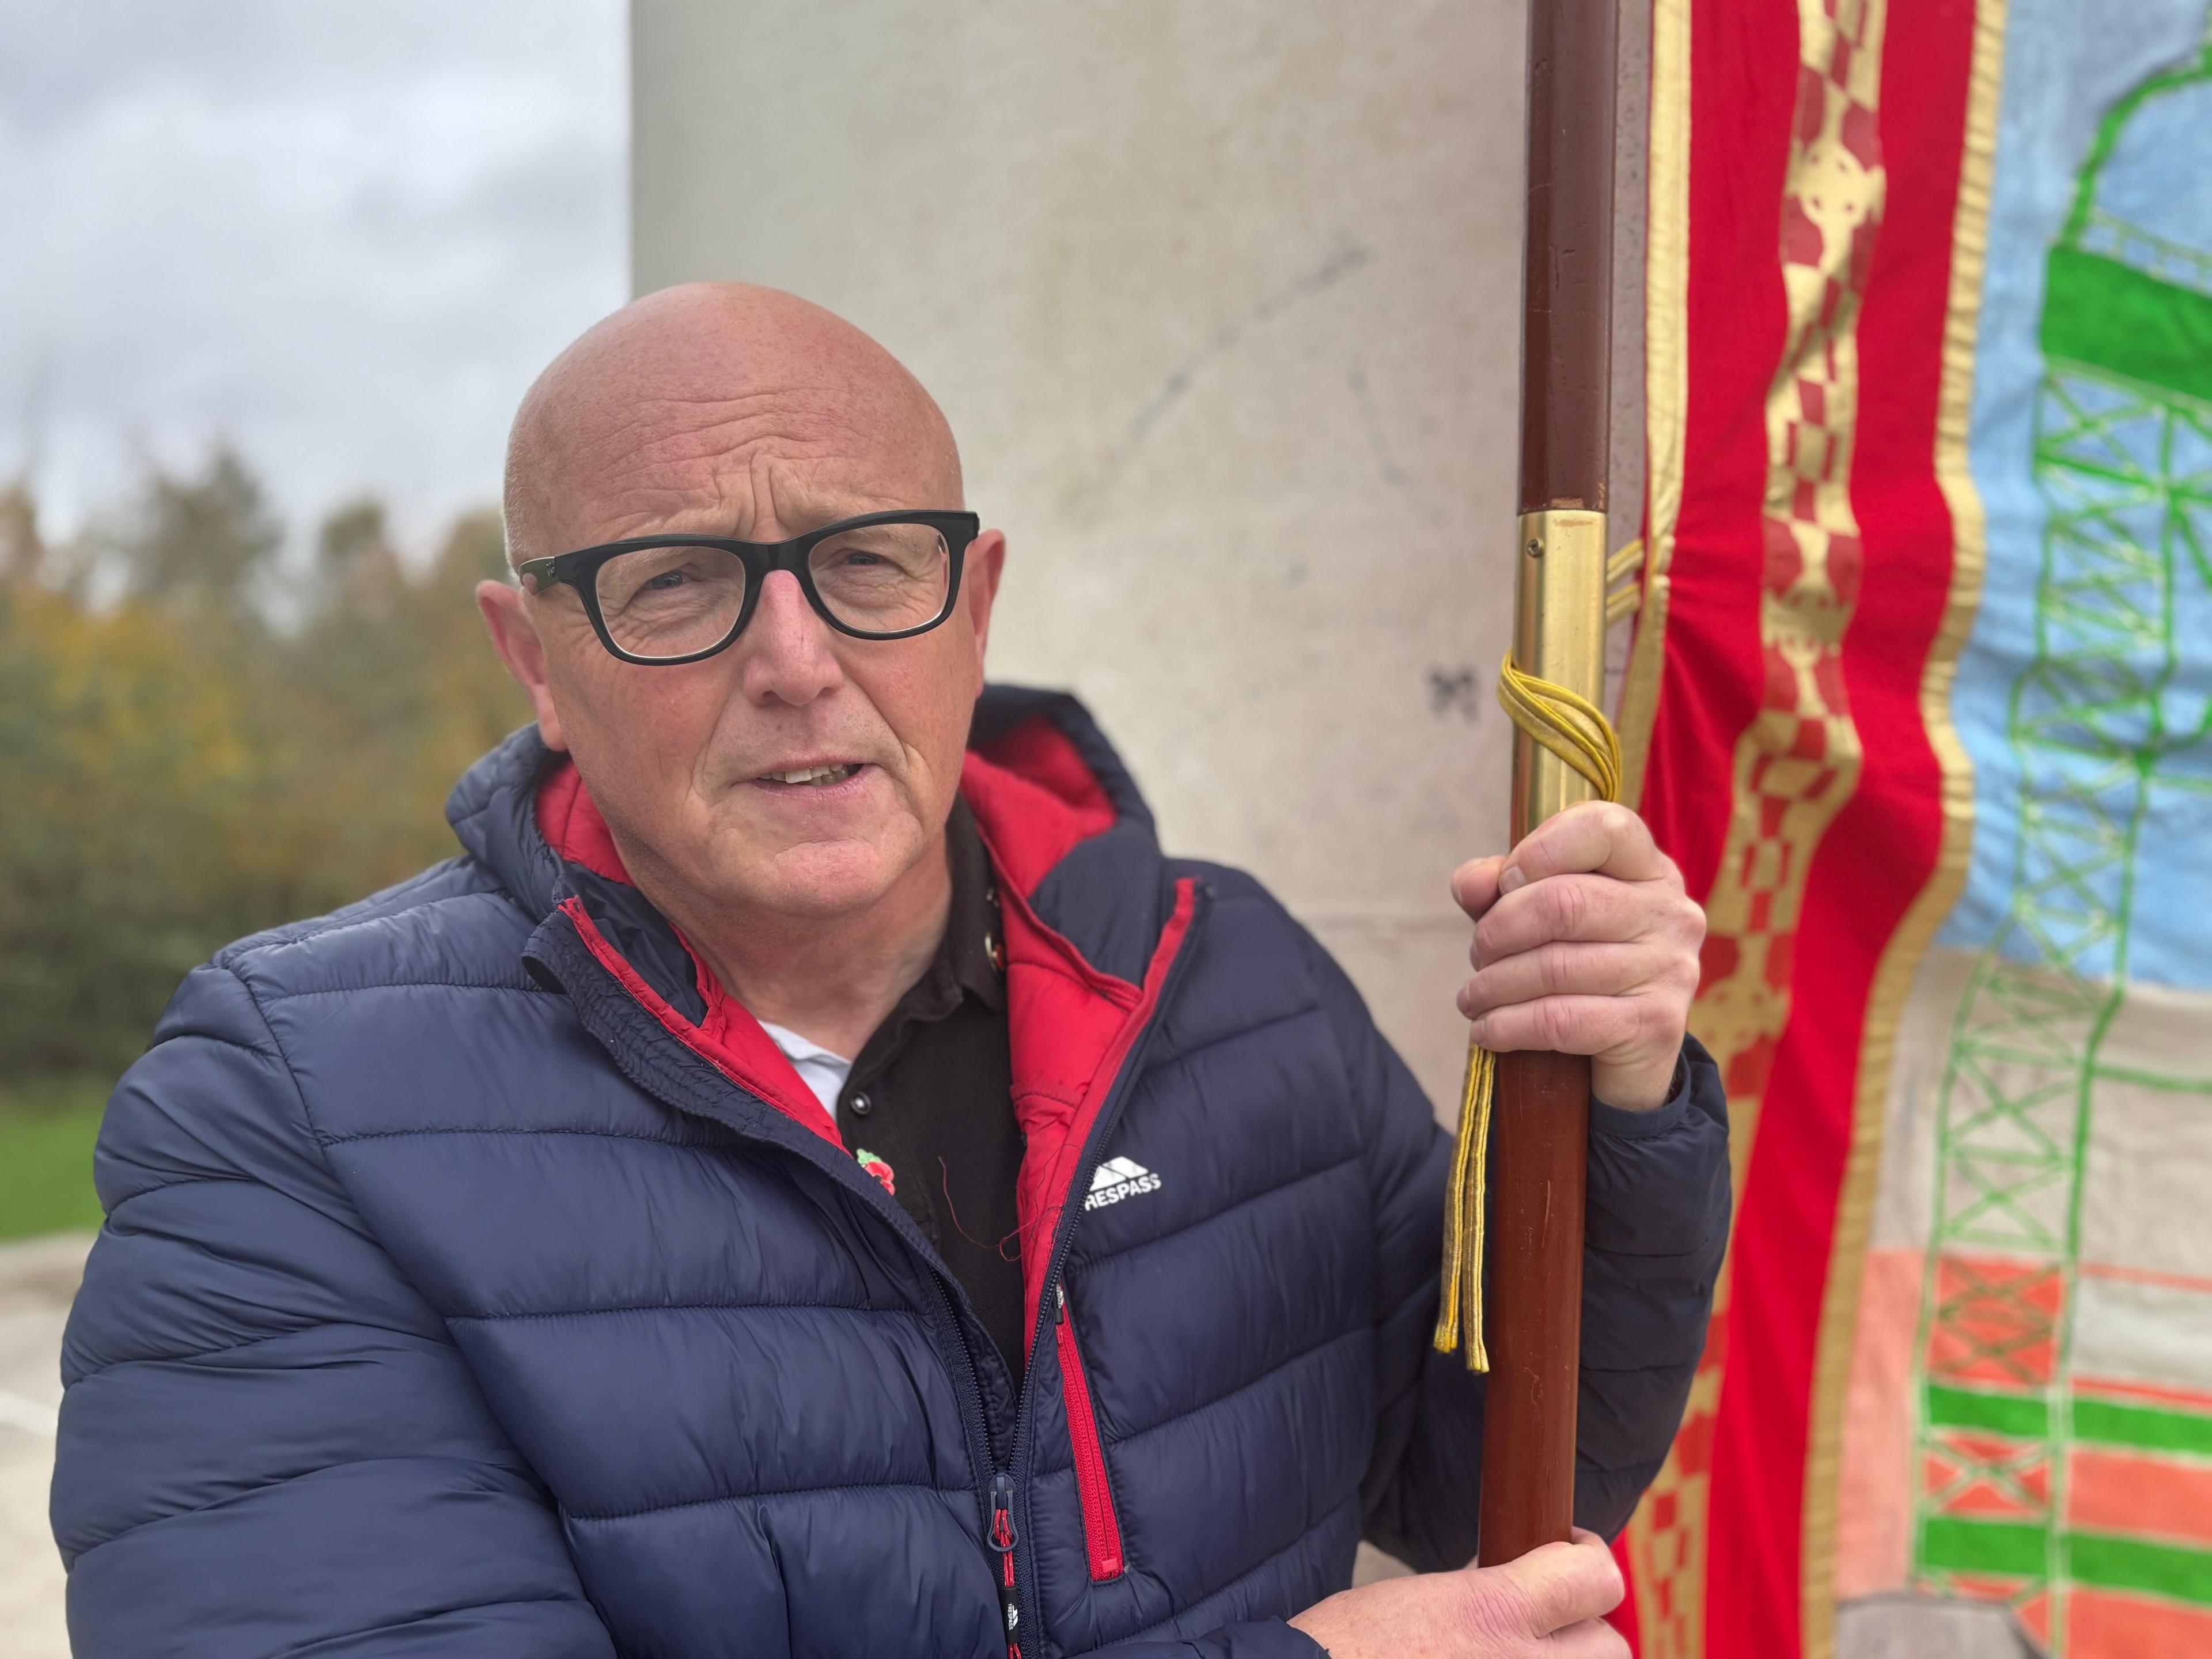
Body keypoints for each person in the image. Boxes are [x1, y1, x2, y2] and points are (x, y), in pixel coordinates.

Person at [51, 285, 1727, 1658]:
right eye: (677, 582)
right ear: (535, 659)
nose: (798, 662)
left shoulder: (1224, 979)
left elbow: (1483, 1487)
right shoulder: (295, 1106)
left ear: (973, 602)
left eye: (868, 561)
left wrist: (1619, 1092)